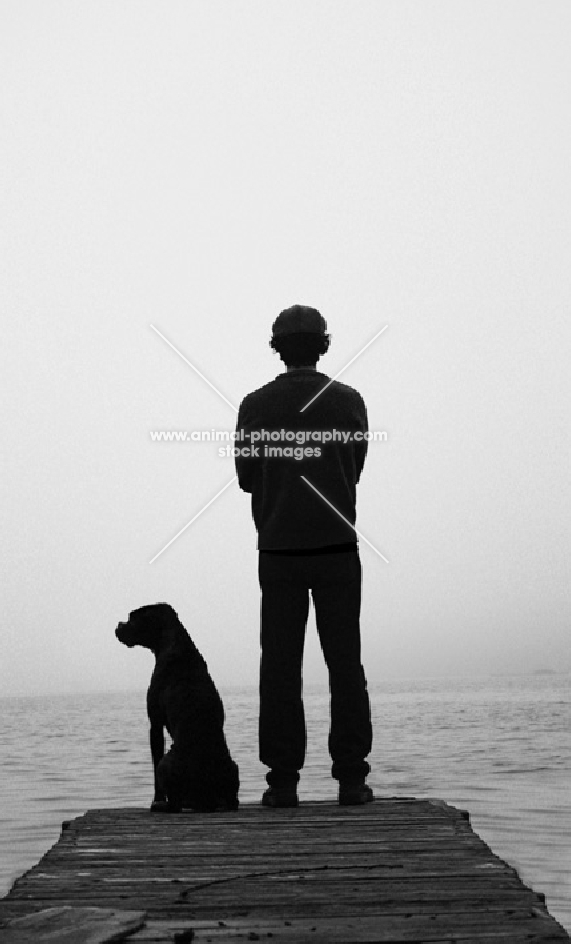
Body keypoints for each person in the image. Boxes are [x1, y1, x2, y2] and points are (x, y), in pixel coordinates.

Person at [235, 305, 373, 807]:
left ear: (277, 348)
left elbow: (247, 477)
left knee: (280, 667)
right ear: (323, 346)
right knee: (345, 664)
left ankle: (283, 783)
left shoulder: (255, 405)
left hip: (278, 550)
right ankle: (352, 780)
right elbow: (353, 470)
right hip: (337, 548)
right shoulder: (349, 402)